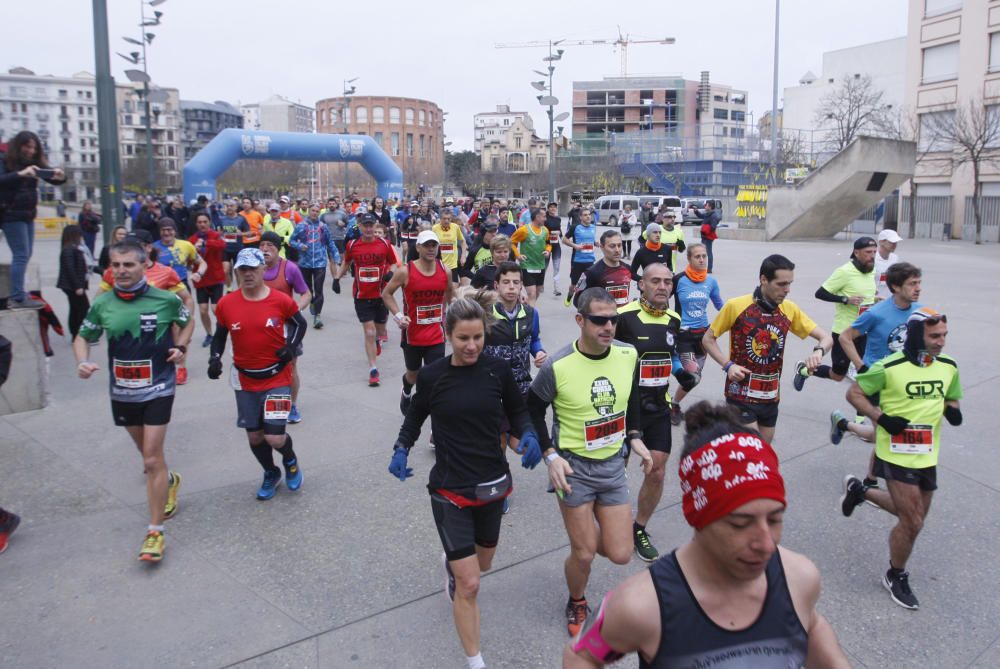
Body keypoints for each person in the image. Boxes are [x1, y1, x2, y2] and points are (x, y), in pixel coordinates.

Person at [563, 402, 850, 668]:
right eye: (740, 524)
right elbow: (581, 656)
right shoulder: (642, 605)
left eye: (774, 519)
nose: (766, 543)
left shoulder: (799, 578)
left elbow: (809, 625)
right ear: (699, 519)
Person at [387, 298, 542, 669]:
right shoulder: (433, 375)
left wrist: (529, 434)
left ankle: (454, 562)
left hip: (492, 484)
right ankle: (476, 661)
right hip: (449, 489)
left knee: (483, 563)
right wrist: (401, 448)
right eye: (463, 338)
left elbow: (517, 409)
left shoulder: (497, 370)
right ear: (447, 335)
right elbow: (416, 416)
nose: (471, 346)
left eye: (477, 337)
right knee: (470, 583)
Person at [528, 287, 654, 636]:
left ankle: (586, 529)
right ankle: (577, 598)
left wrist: (635, 436)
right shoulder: (558, 364)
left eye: (613, 319)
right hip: (572, 470)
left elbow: (632, 400)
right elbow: (531, 410)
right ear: (580, 320)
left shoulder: (628, 354)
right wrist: (549, 455)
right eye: (599, 320)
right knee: (583, 553)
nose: (609, 327)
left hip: (613, 467)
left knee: (620, 553)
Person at [74, 240, 193, 562]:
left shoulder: (165, 299)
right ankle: (169, 481)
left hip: (159, 386)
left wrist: (180, 348)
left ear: (144, 265)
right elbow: (83, 335)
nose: (122, 271)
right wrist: (82, 360)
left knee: (151, 460)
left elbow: (187, 321)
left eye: (128, 265)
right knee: (148, 456)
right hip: (122, 391)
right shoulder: (103, 304)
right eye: (116, 265)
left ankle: (155, 532)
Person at [840, 308, 962, 610]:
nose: (941, 342)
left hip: (927, 453)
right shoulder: (888, 367)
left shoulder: (948, 366)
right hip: (895, 452)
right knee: (913, 520)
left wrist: (952, 409)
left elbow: (951, 393)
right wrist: (880, 418)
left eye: (944, 335)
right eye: (934, 336)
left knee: (912, 514)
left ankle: (861, 491)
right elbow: (854, 394)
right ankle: (895, 574)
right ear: (917, 334)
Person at [614, 263, 698, 563]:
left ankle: (639, 528)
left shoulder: (674, 318)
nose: (662, 286)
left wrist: (682, 372)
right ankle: (614, 521)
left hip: (658, 406)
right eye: (655, 281)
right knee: (616, 472)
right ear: (641, 285)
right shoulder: (622, 317)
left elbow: (671, 353)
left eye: (667, 282)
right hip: (624, 408)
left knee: (657, 469)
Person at [208, 248, 308, 500]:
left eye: (253, 268)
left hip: (277, 378)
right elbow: (220, 336)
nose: (248, 274)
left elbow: (300, 323)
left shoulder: (280, 300)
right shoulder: (226, 303)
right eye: (243, 269)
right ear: (237, 271)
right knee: (255, 436)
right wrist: (214, 358)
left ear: (264, 269)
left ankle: (290, 460)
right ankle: (270, 472)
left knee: (274, 437)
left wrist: (291, 346)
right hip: (244, 379)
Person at [702, 254, 833, 444]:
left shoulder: (789, 309)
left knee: (763, 455)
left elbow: (826, 337)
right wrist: (728, 365)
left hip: (771, 396)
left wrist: (818, 351)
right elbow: (708, 339)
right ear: (763, 279)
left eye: (790, 284)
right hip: (740, 394)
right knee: (751, 452)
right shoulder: (736, 306)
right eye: (781, 284)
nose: (787, 290)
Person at [829, 263, 923, 452]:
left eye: (919, 283)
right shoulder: (876, 313)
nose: (918, 288)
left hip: (906, 381)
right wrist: (861, 367)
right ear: (896, 287)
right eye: (913, 283)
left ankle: (842, 424)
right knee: (885, 434)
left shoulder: (921, 312)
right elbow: (845, 337)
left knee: (883, 435)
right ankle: (869, 481)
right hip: (879, 380)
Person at [483, 262, 548, 512]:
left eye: (516, 282)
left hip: (521, 387)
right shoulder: (486, 313)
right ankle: (502, 488)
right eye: (506, 282)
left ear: (522, 285)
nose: (511, 287)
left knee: (519, 445)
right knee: (499, 443)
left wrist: (539, 352)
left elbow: (535, 340)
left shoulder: (531, 314)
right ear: (497, 285)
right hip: (492, 389)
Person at [382, 230, 455, 415]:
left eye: (434, 245)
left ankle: (434, 421)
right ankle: (406, 390)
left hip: (436, 334)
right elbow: (386, 294)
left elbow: (451, 297)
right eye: (427, 245)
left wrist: (451, 318)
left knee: (435, 378)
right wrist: (398, 315)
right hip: (412, 336)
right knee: (413, 375)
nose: (431, 249)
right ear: (419, 247)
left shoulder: (445, 271)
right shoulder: (406, 271)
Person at [793, 236, 877, 389]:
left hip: (864, 331)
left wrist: (875, 300)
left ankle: (860, 413)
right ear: (856, 253)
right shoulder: (844, 272)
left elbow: (866, 294)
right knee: (838, 375)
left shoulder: (871, 269)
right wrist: (845, 299)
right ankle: (804, 370)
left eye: (874, 252)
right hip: (844, 332)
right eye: (868, 252)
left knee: (864, 372)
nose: (872, 256)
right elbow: (820, 293)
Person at [0, 130, 66, 308]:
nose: (31, 151)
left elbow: (52, 178)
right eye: (27, 146)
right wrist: (21, 174)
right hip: (11, 213)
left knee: (26, 253)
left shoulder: (34, 163)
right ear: (18, 146)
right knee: (20, 254)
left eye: (33, 147)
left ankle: (19, 292)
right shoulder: (5, 160)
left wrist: (60, 177)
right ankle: (17, 297)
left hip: (28, 213)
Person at [335, 213, 399, 387]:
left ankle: (379, 339)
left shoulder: (384, 244)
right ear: (360, 227)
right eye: (365, 225)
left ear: (375, 226)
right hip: (362, 295)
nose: (369, 229)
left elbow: (394, 262)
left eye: (371, 225)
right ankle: (373, 369)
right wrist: (337, 278)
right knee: (369, 332)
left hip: (380, 295)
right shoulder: (353, 245)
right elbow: (346, 263)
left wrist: (391, 273)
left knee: (379, 331)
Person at [260, 232, 311, 423]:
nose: (265, 249)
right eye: (262, 245)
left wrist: (295, 310)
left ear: (277, 248)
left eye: (269, 245)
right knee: (264, 364)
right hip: (260, 327)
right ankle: (266, 401)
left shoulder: (289, 268)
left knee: (290, 365)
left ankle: (292, 404)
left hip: (287, 327)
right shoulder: (254, 268)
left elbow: (306, 293)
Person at [670, 243, 723, 425]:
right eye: (697, 257)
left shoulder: (710, 281)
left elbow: (720, 306)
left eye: (704, 256)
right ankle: (671, 402)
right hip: (683, 335)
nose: (702, 260)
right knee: (691, 376)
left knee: (695, 378)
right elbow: (660, 300)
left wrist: (737, 318)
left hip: (703, 337)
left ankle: (674, 404)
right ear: (689, 259)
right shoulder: (679, 280)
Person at [289, 203, 342, 330]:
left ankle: (317, 316)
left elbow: (330, 243)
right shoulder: (301, 226)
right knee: (308, 290)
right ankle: (312, 302)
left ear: (319, 212)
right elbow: (291, 241)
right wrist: (300, 246)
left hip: (320, 262)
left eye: (317, 211)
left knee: (319, 290)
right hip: (305, 263)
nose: (314, 213)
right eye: (312, 210)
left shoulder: (323, 227)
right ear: (308, 211)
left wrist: (336, 257)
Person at [188, 212, 227, 348]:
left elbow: (222, 245)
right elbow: (188, 258)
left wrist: (205, 242)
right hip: (201, 280)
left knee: (216, 309)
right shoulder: (191, 240)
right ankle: (209, 333)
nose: (202, 224)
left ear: (209, 222)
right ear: (196, 224)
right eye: (199, 222)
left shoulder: (215, 236)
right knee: (203, 310)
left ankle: (222, 331)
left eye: (205, 221)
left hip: (216, 278)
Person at [572, 231, 633, 309]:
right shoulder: (590, 273)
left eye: (619, 245)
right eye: (612, 246)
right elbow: (577, 300)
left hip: (623, 319)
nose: (617, 250)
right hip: (603, 319)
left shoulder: (627, 268)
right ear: (602, 247)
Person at [509, 208, 552, 306]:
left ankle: (525, 308)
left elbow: (548, 244)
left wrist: (548, 251)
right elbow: (511, 242)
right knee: (531, 294)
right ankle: (530, 317)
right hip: (527, 265)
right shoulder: (524, 230)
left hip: (540, 265)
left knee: (537, 293)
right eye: (544, 216)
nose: (545, 219)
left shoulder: (545, 230)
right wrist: (518, 255)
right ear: (537, 217)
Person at [57, 224, 90, 338]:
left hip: (73, 285)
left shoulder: (71, 248)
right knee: (81, 308)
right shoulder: (69, 250)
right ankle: (77, 333)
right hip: (73, 286)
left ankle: (76, 333)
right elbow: (70, 269)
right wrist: (77, 286)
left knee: (76, 308)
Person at [561, 208, 598, 306]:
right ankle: (569, 296)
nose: (588, 216)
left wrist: (596, 243)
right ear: (580, 217)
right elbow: (564, 240)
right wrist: (575, 246)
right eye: (585, 215)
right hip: (577, 261)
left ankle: (584, 303)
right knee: (574, 284)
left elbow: (591, 240)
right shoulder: (575, 227)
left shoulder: (593, 227)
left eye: (589, 214)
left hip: (590, 261)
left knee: (589, 284)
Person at [216, 200, 249, 290]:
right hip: (225, 248)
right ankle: (229, 289)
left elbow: (249, 233)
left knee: (238, 271)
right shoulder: (221, 218)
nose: (229, 207)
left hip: (238, 248)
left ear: (236, 207)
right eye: (227, 206)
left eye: (231, 206)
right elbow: (218, 232)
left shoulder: (241, 219)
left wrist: (240, 234)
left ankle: (239, 290)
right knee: (225, 271)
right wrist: (219, 234)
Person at [432, 207, 465, 285]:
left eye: (448, 219)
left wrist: (463, 256)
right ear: (440, 218)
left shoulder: (455, 227)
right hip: (439, 264)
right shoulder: (434, 228)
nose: (446, 221)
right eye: (444, 219)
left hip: (452, 264)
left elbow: (463, 241)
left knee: (453, 290)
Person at [691, 201, 721, 273]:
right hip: (704, 236)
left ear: (710, 207)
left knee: (708, 252)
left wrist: (706, 230)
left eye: (706, 205)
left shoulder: (713, 215)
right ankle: (703, 267)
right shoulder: (708, 214)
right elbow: (701, 216)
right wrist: (696, 211)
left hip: (708, 236)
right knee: (704, 252)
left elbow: (713, 226)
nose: (705, 206)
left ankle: (709, 269)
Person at [874, 228, 902, 301]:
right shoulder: (872, 258)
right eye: (891, 242)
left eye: (896, 242)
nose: (894, 245)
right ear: (881, 242)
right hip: (875, 298)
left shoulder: (895, 258)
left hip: (890, 298)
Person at [545, 202, 564, 296]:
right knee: (544, 267)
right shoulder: (545, 219)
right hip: (546, 245)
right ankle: (540, 285)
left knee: (556, 267)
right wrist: (550, 234)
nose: (553, 209)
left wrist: (562, 237)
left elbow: (559, 230)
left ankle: (556, 289)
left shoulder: (558, 219)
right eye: (551, 207)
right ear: (548, 209)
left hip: (556, 245)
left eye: (554, 207)